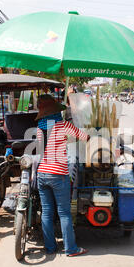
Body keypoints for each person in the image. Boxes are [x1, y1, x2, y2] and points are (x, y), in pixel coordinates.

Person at [36, 94, 89, 257]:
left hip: (42, 173)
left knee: (46, 212)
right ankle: (71, 248)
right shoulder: (64, 125)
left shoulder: (39, 128)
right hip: (58, 174)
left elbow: (41, 150)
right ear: (55, 111)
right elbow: (85, 137)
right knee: (64, 213)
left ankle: (50, 248)